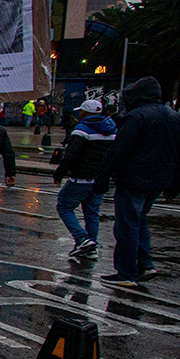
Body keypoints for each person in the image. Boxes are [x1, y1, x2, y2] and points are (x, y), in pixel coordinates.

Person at [92, 77, 180, 287]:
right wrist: (175, 182)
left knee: (127, 225)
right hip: (159, 179)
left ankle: (126, 272)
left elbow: (118, 150)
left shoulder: (137, 117)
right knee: (140, 220)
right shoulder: (175, 118)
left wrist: (103, 178)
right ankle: (145, 263)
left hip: (134, 177)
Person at [52, 98, 116, 261]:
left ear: (85, 113)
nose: (79, 114)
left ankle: (82, 239)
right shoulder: (111, 129)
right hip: (100, 179)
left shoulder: (82, 130)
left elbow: (71, 155)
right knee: (92, 214)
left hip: (82, 178)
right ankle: (91, 247)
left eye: (81, 111)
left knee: (64, 206)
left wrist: (59, 173)